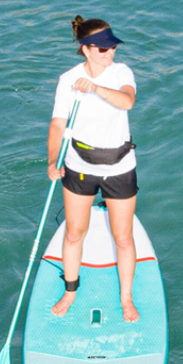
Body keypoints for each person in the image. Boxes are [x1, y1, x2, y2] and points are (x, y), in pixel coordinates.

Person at [47, 16, 140, 322]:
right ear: (86, 49)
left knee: (123, 237)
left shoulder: (121, 72)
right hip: (79, 166)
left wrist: (96, 88)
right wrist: (52, 160)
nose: (109, 52)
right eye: (102, 49)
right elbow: (58, 124)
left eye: (112, 46)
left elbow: (127, 102)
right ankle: (70, 291)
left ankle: (126, 298)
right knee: (74, 233)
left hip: (119, 168)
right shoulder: (68, 80)